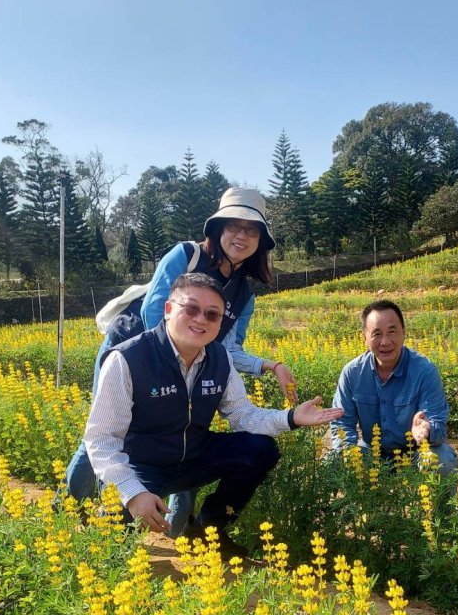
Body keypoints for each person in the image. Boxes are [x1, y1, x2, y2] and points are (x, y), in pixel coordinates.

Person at [65, 187, 297, 526]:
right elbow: (154, 311)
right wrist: (174, 366)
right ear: (217, 229)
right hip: (133, 349)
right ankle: (69, 508)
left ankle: (177, 526)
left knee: (189, 431)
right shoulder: (185, 254)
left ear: (260, 241)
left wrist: (269, 365)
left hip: (190, 358)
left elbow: (229, 350)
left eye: (252, 230)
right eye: (234, 225)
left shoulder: (244, 294)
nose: (241, 235)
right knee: (103, 431)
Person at [84, 272, 341, 555]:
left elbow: (242, 415)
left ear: (220, 323)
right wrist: (132, 492)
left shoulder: (220, 359)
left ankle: (208, 529)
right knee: (111, 541)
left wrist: (291, 417)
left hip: (193, 458)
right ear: (168, 310)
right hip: (143, 466)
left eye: (212, 314)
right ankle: (106, 527)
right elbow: (101, 440)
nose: (200, 320)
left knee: (260, 449)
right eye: (191, 309)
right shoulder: (127, 359)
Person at [330, 298, 458, 475]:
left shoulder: (425, 371)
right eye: (376, 334)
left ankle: (439, 504)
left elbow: (437, 422)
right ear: (365, 338)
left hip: (414, 453)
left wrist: (426, 429)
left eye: (392, 332)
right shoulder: (352, 373)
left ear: (404, 333)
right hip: (371, 453)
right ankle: (359, 503)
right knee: (332, 463)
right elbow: (342, 423)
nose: (385, 341)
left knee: (442, 461)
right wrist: (346, 454)